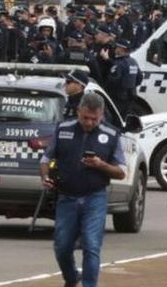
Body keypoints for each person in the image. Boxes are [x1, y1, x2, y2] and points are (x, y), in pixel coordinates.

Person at [40, 92, 126, 287]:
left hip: (95, 198)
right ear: (78, 111)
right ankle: (71, 278)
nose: (89, 123)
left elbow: (121, 172)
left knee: (91, 245)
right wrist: (45, 177)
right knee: (62, 246)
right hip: (67, 197)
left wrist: (100, 165)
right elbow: (46, 160)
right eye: (85, 117)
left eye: (94, 119)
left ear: (102, 115)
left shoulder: (112, 135)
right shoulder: (63, 129)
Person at [104, 39, 139, 120]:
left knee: (114, 118)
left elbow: (113, 80)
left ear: (122, 49)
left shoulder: (119, 63)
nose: (115, 49)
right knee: (125, 118)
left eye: (117, 47)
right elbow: (139, 78)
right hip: (130, 96)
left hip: (118, 97)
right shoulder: (134, 62)